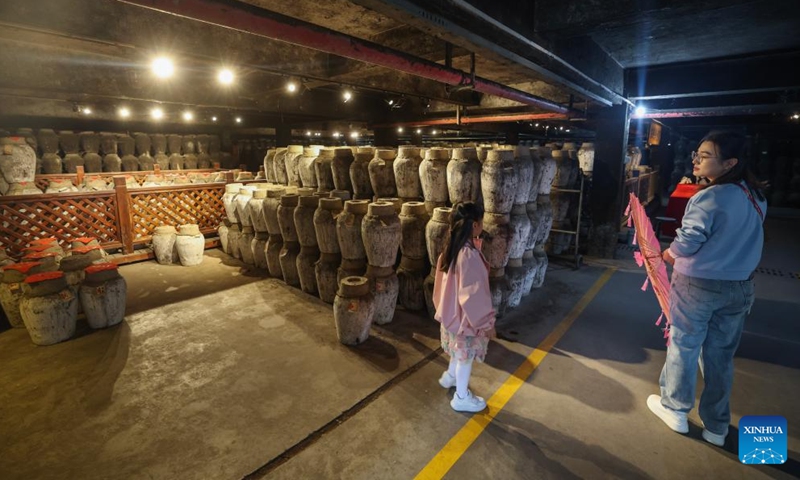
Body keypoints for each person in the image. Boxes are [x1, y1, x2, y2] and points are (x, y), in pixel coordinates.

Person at [648, 131, 766, 447]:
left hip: (698, 285)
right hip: (740, 287)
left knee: (684, 344)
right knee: (720, 354)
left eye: (705, 155)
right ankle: (717, 426)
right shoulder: (756, 196)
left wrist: (668, 254)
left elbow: (688, 242)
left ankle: (675, 409)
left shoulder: (710, 197)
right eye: (697, 153)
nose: (697, 160)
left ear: (730, 163)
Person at [433, 202, 496, 413]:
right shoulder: (468, 255)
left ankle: (450, 377)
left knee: (458, 353)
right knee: (465, 358)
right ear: (476, 225)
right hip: (465, 320)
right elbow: (473, 296)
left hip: (451, 316)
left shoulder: (450, 249)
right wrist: (486, 322)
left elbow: (441, 285)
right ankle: (461, 397)